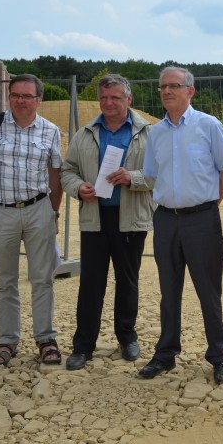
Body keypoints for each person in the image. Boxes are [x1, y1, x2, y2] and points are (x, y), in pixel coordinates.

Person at [139, 66, 223, 385]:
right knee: (169, 291)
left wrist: (208, 207)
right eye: (162, 87)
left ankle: (219, 356)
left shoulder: (208, 126)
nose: (166, 91)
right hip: (166, 219)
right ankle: (166, 354)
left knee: (209, 290)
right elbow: (152, 175)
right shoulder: (156, 132)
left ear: (190, 91)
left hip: (202, 219)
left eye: (174, 86)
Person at [0, 73, 64, 367]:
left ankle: (45, 338)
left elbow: (55, 175)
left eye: (27, 96)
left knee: (42, 279)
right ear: (9, 97)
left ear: (38, 100)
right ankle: (7, 340)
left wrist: (53, 212)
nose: (20, 101)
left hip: (38, 210)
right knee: (6, 282)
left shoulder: (51, 131)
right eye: (15, 95)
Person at [60, 74, 155, 370]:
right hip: (95, 218)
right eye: (104, 98)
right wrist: (78, 188)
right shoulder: (86, 133)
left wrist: (133, 177)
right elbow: (67, 171)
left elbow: (161, 173)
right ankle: (83, 345)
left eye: (115, 97)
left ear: (129, 99)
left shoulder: (148, 133)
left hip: (131, 219)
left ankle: (127, 337)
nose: (109, 103)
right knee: (90, 283)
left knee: (127, 281)